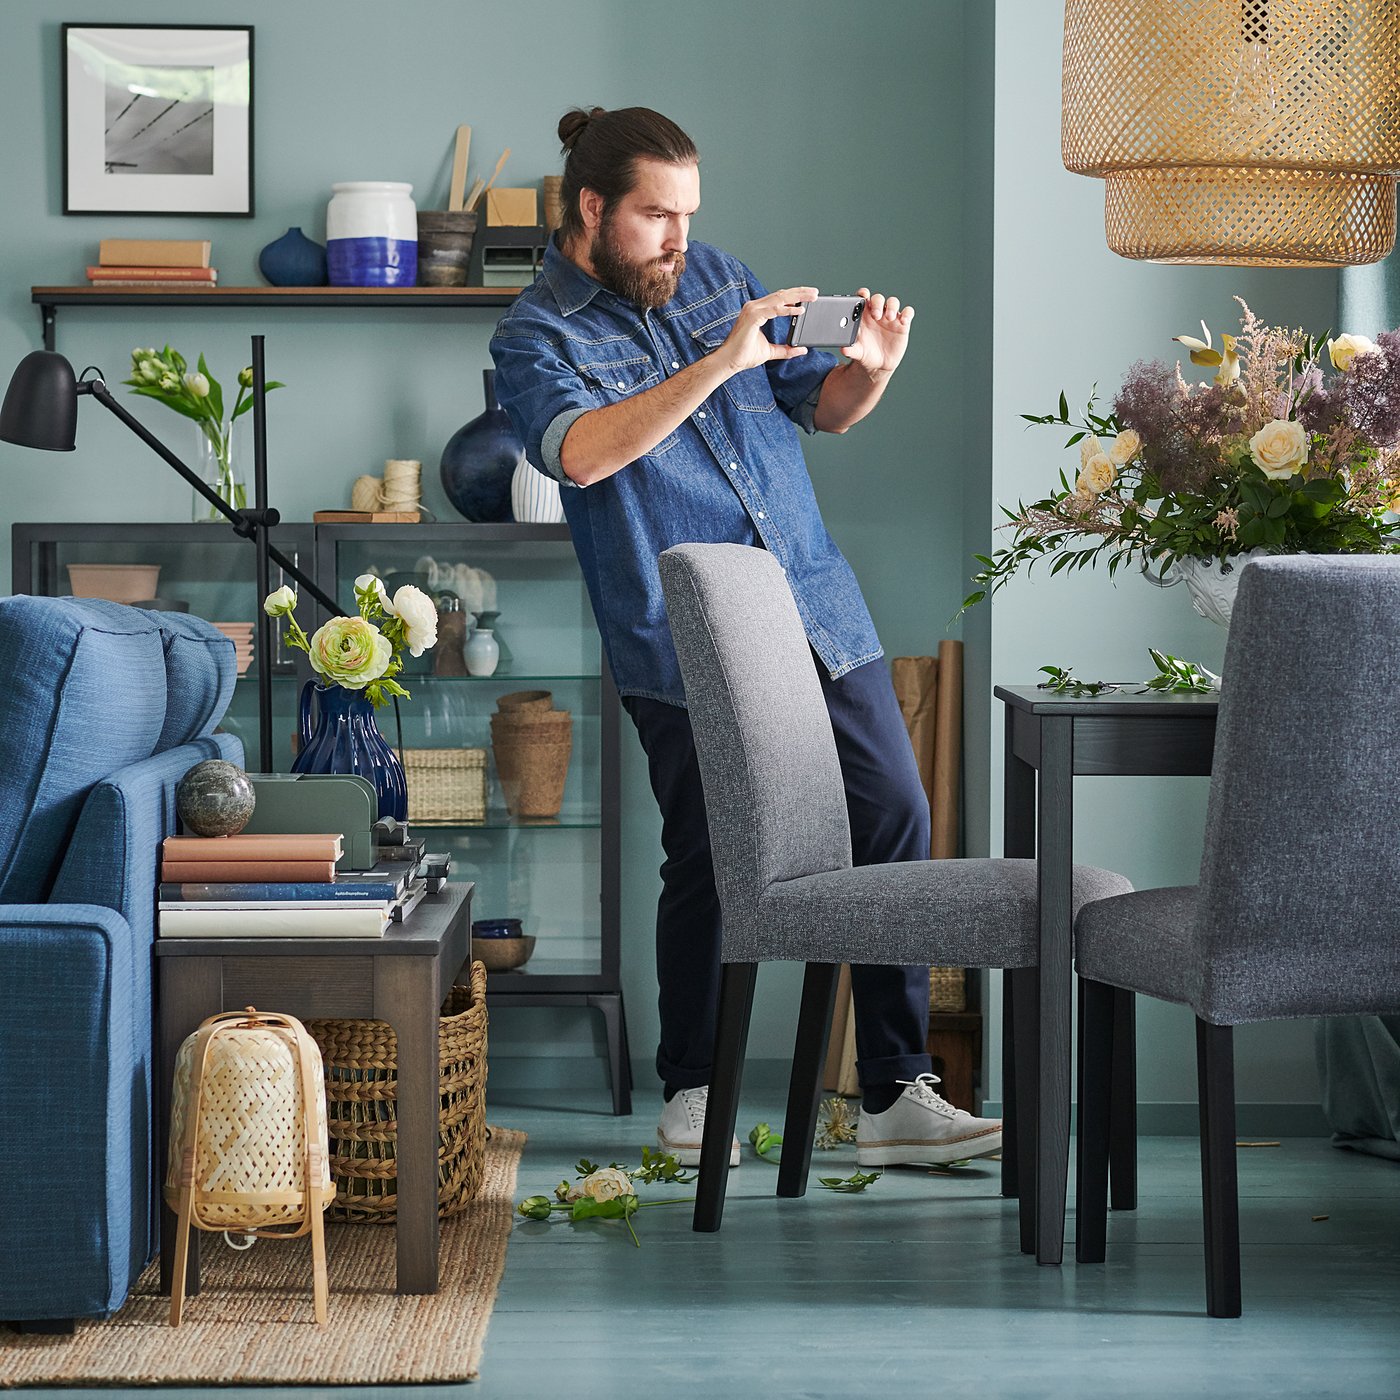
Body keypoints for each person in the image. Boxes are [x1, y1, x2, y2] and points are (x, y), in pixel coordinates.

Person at [490, 106, 1001, 1169]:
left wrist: (875, 364)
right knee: (713, 854)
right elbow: (579, 456)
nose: (678, 237)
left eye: (687, 213)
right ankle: (694, 1088)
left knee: (892, 815)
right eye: (654, 215)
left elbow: (826, 409)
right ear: (592, 208)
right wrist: (719, 363)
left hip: (812, 601)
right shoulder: (536, 333)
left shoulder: (720, 276)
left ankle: (894, 1093)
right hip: (683, 639)